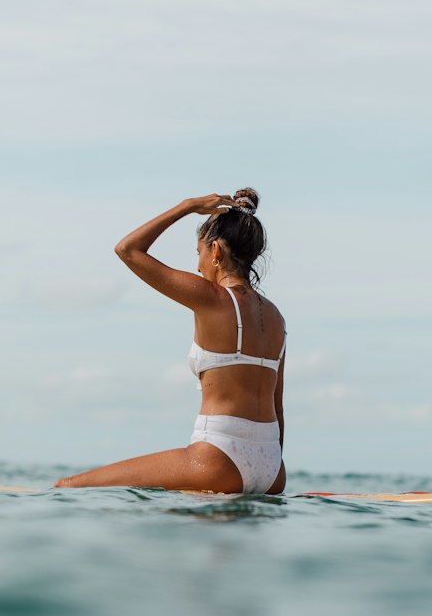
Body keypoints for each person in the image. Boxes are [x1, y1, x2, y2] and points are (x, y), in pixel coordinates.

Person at [55, 188, 286, 494]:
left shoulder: (212, 298)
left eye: (199, 253)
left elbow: (128, 249)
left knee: (68, 486)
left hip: (218, 460)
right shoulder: (275, 318)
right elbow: (277, 408)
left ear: (215, 252)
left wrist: (188, 206)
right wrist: (263, 470)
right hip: (273, 469)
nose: (198, 266)